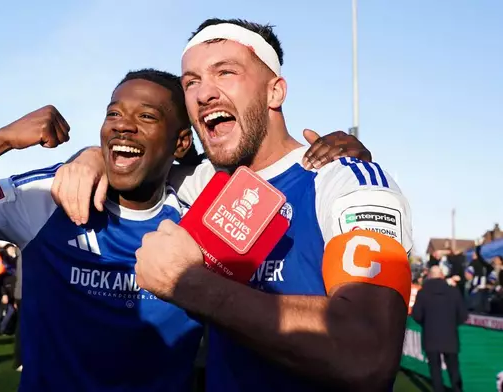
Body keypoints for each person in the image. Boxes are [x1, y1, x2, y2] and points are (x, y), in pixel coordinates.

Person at [0, 68, 368, 391]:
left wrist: (338, 158)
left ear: (181, 142)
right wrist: (1, 140)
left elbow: (280, 180)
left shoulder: (206, 210)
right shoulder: (46, 196)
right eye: (113, 113)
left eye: (147, 117)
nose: (123, 127)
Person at [56, 18, 412, 391]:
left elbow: (367, 351)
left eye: (224, 72)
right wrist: (92, 156)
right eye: (191, 81)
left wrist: (191, 285)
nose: (203, 94)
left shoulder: (343, 184)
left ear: (275, 92)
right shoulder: (198, 185)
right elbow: (131, 166)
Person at [412, 265, 467, 392]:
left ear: (429, 276)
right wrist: (452, 324)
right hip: (450, 336)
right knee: (453, 369)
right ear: (442, 275)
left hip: (431, 336)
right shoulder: (453, 292)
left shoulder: (423, 293)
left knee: (435, 370)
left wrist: (427, 324)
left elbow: (417, 315)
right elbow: (463, 315)